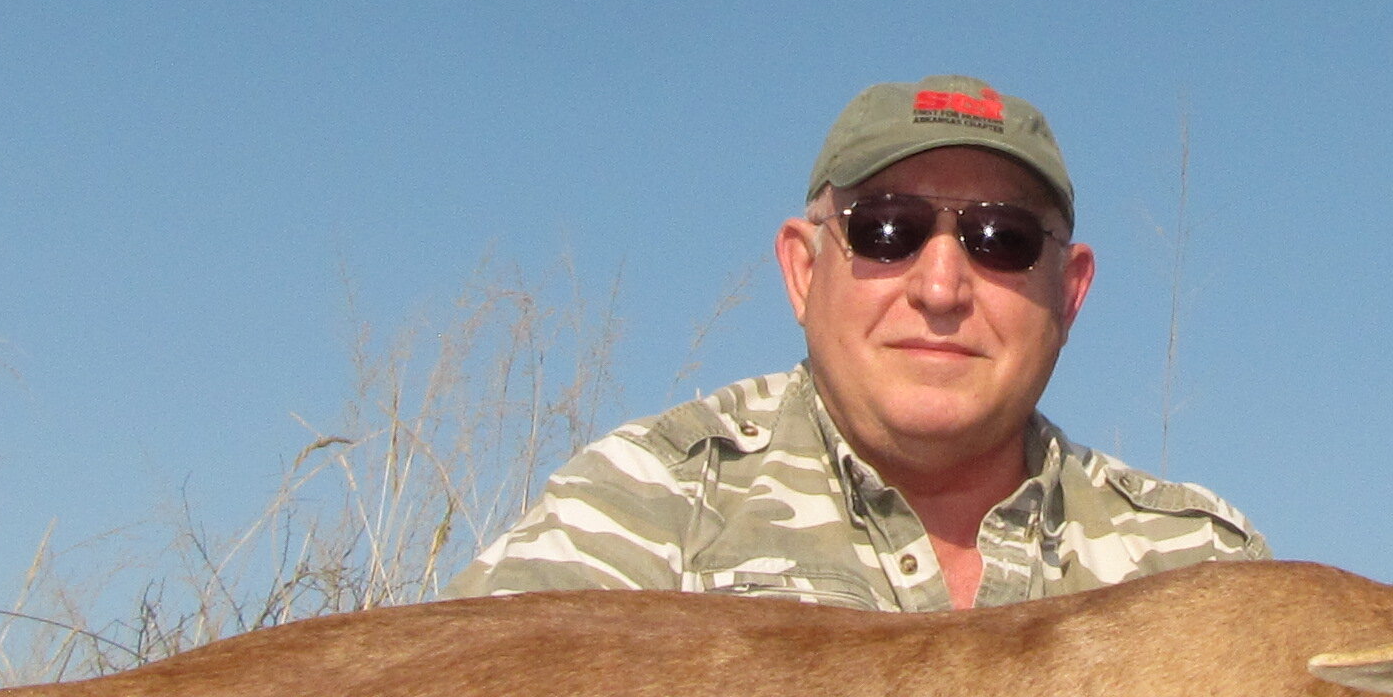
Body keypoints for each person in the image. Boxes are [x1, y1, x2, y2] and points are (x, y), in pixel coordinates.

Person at [455, 76, 1264, 610]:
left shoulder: (1199, 569)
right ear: (802, 271)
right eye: (887, 230)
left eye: (1002, 238)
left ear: (1071, 291)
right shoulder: (646, 512)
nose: (941, 287)